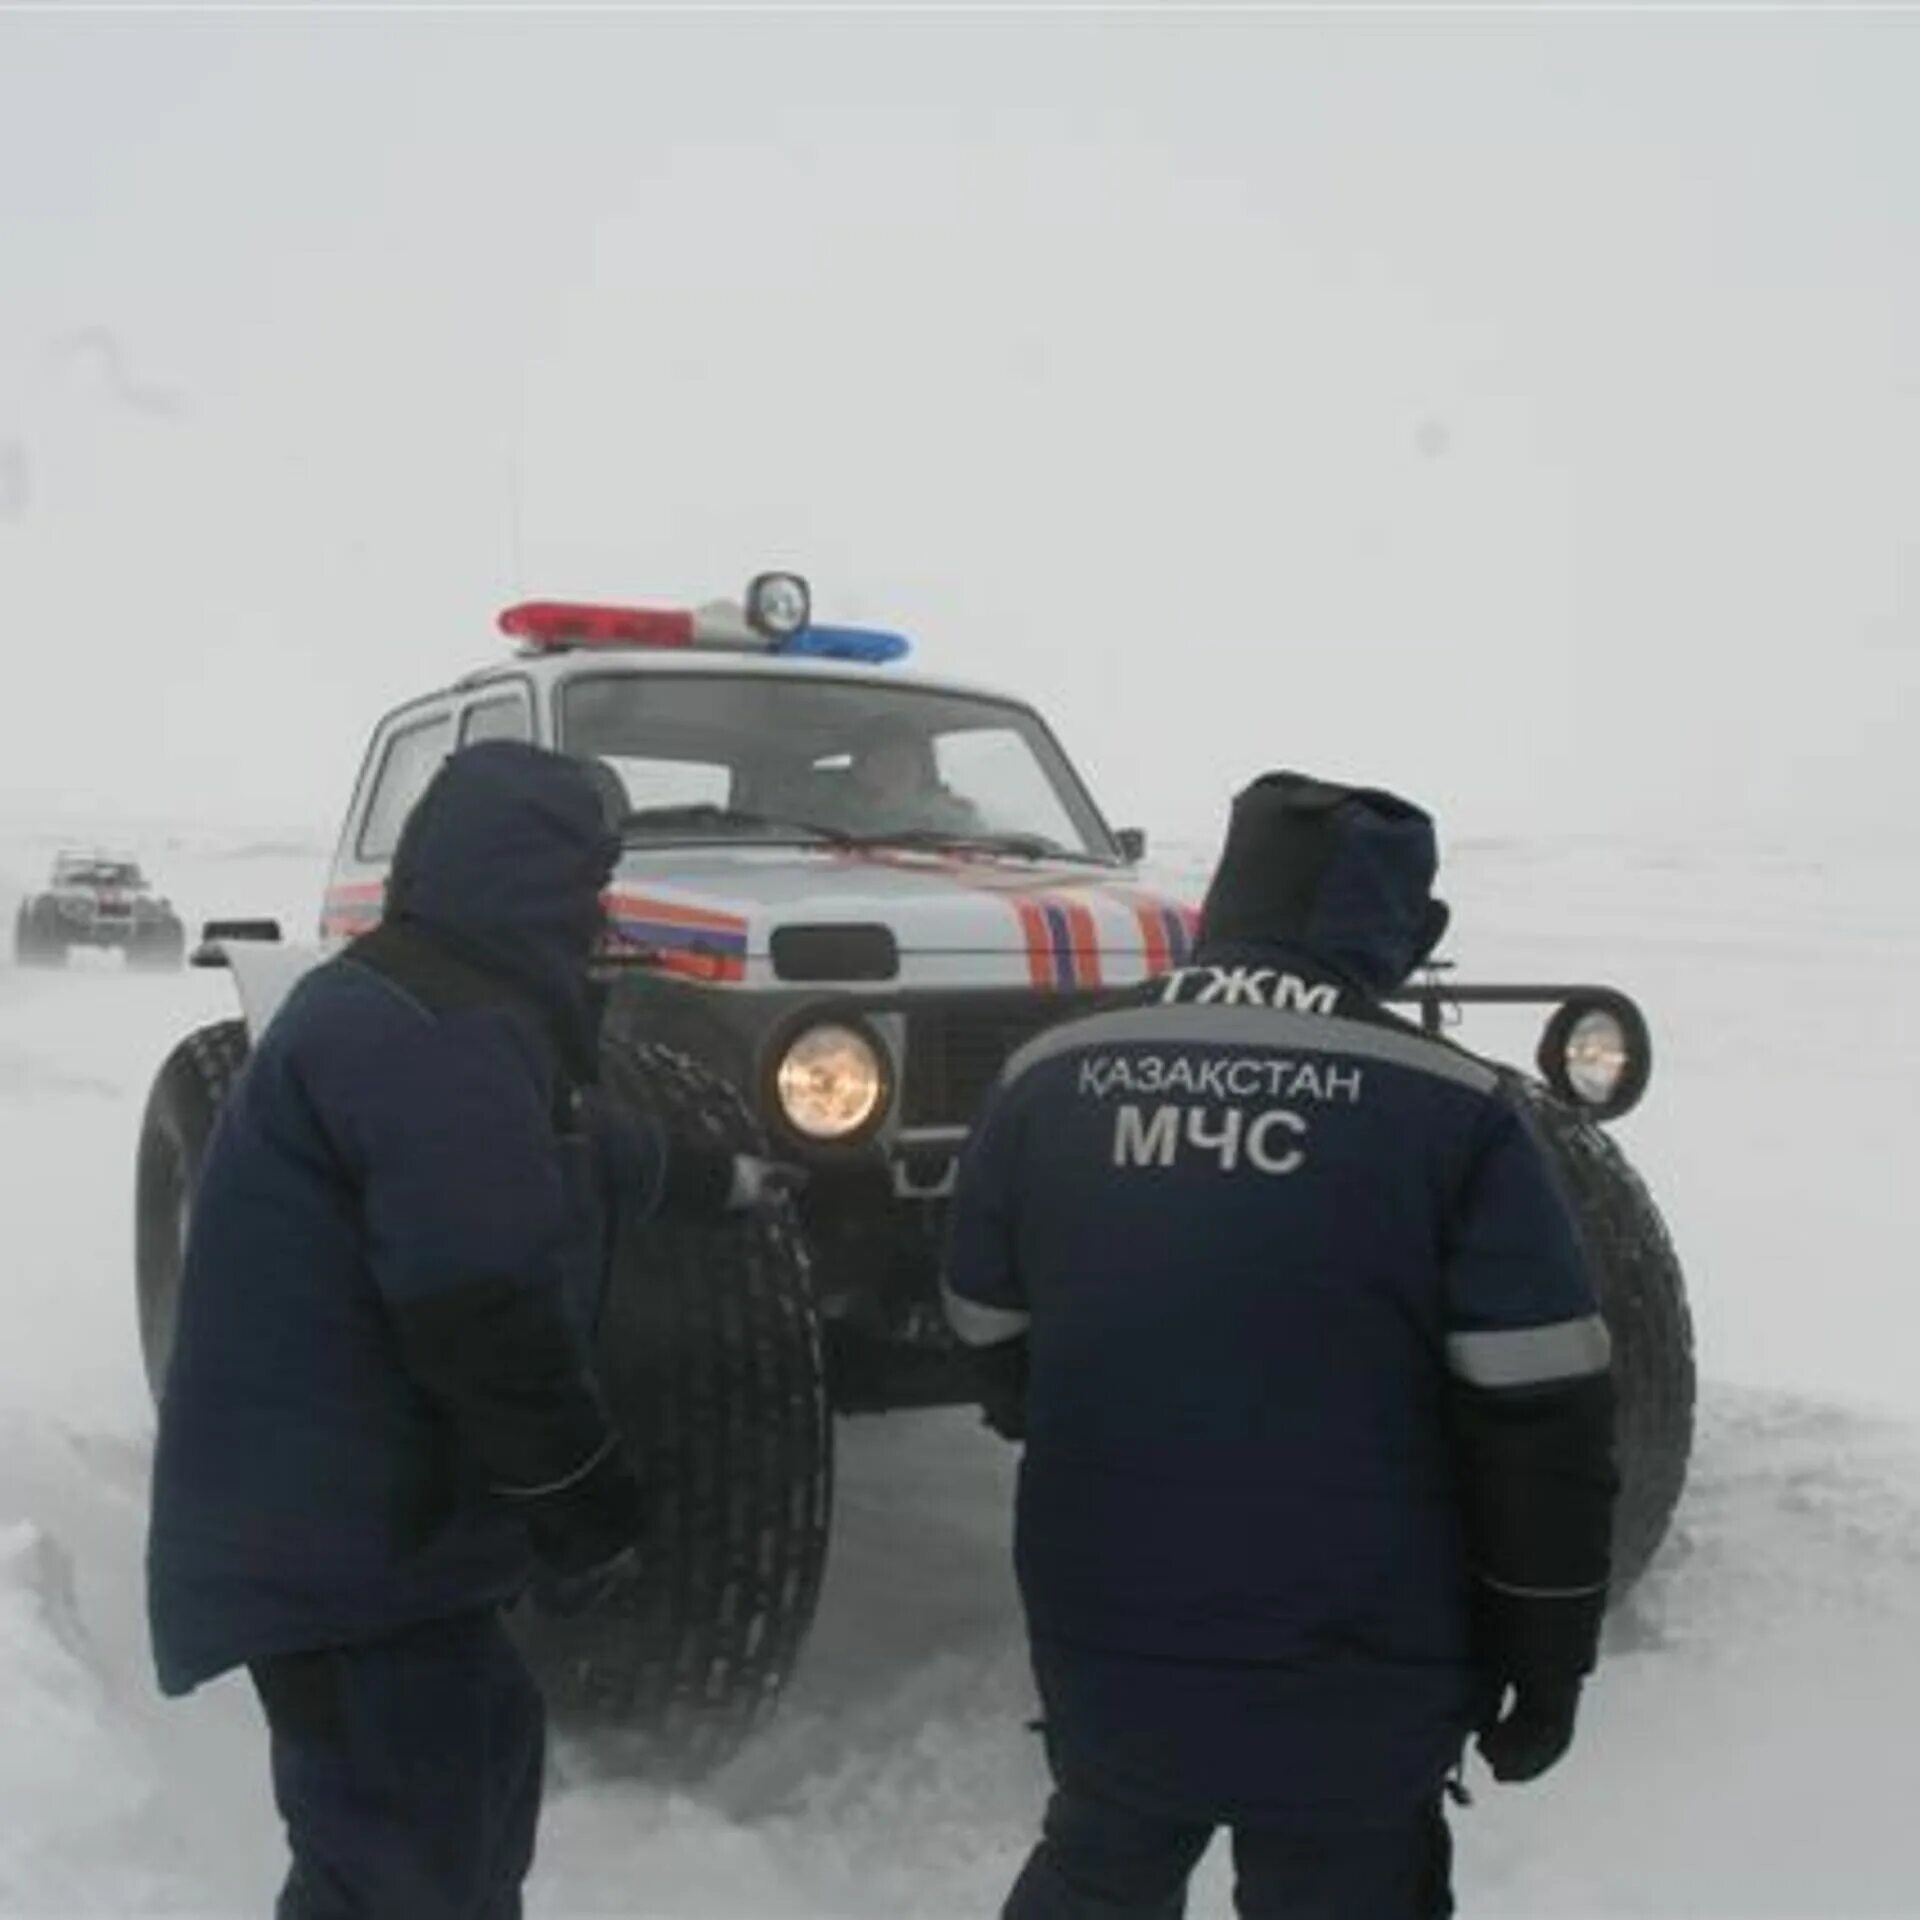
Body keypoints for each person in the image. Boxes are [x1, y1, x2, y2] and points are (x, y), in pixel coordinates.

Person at [944, 770, 1618, 1919]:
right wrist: (1549, 1656)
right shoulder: (1457, 1110)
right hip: (1360, 1651)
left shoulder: (1051, 1072)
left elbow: (984, 1326)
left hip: (1104, 1617)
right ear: (1402, 928)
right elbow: (1540, 1411)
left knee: (1102, 1859)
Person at [147, 740, 793, 1919]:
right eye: (588, 886)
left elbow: (565, 1150)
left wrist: (716, 1180)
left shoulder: (431, 1008)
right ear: (528, 883)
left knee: (467, 1798)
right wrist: (584, 1500)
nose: (600, 916)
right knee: (406, 1871)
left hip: (386, 1550)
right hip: (347, 1561)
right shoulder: (429, 1037)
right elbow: (480, 1301)